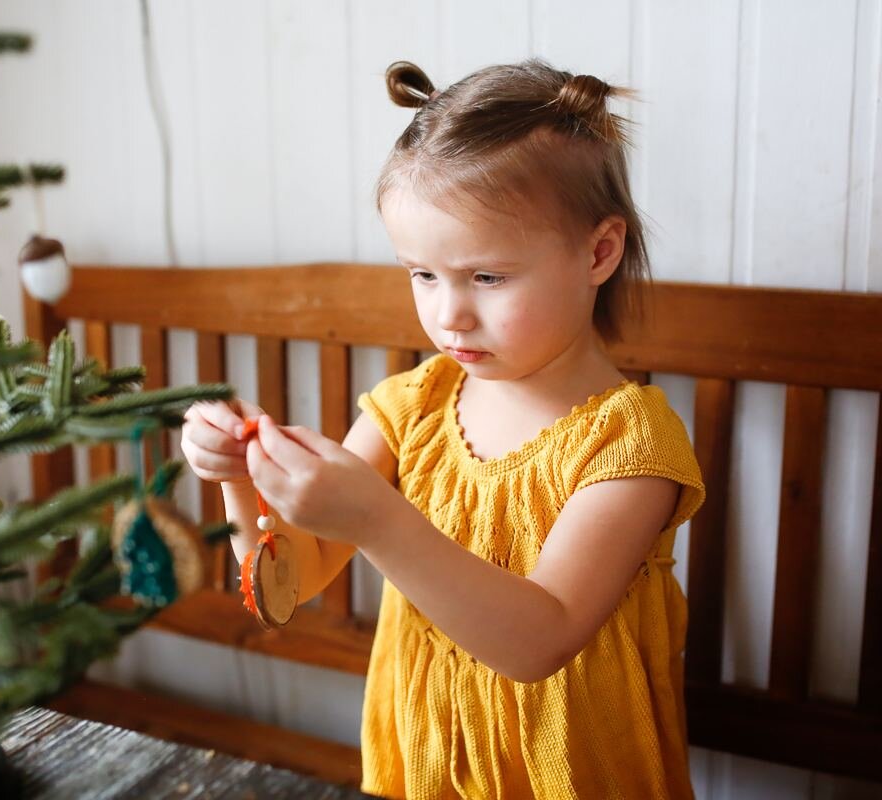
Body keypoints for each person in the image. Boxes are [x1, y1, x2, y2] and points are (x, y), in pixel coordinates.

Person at [181, 58, 705, 800]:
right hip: (428, 761)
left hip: (572, 768)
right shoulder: (412, 408)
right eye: (422, 274)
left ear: (598, 252)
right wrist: (241, 481)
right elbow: (285, 590)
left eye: (485, 277)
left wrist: (376, 517)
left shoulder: (630, 445)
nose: (447, 314)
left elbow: (538, 642)